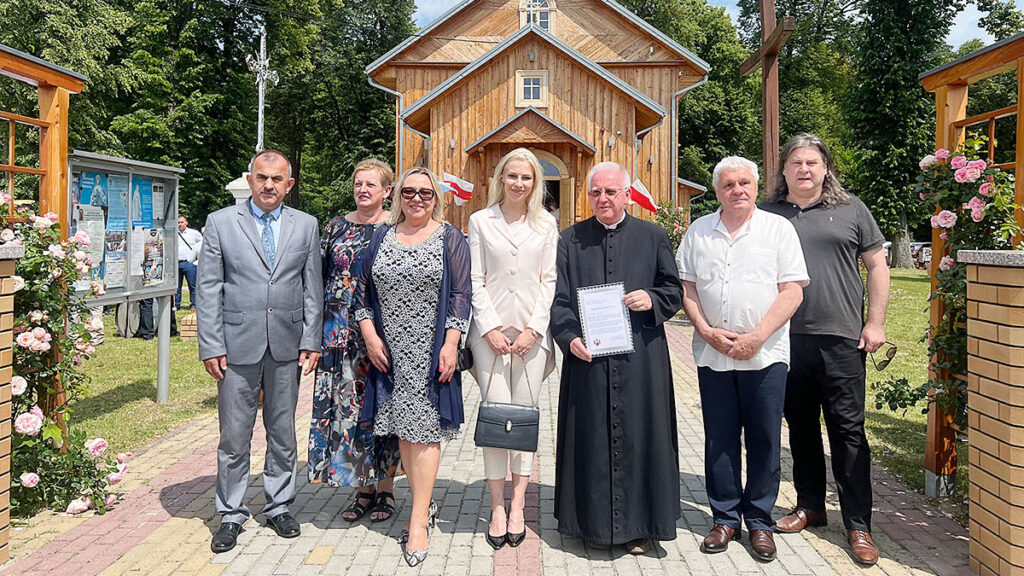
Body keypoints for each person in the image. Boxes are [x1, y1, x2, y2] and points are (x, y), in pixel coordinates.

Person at [760, 133, 889, 566]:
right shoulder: (768, 213)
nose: (803, 169)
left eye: (812, 162)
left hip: (842, 338)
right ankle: (811, 505)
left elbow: (877, 267)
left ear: (825, 167)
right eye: (795, 162)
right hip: (787, 339)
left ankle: (858, 524)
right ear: (784, 170)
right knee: (799, 427)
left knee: (848, 432)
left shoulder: (852, 209)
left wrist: (875, 322)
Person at [676, 156, 808, 561]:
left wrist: (757, 336)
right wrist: (705, 330)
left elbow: (792, 291)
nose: (738, 190)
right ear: (717, 191)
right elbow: (688, 289)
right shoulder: (699, 231)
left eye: (744, 183)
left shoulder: (778, 230)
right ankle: (725, 518)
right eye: (729, 184)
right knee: (719, 438)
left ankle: (760, 521)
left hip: (765, 355)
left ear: (755, 187)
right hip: (713, 354)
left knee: (765, 439)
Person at [550, 162, 683, 555]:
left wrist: (652, 299)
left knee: (643, 435)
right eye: (595, 192)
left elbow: (673, 290)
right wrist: (569, 336)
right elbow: (558, 300)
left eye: (611, 192)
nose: (603, 199)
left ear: (627, 194)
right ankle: (588, 524)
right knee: (589, 437)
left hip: (641, 359)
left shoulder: (654, 236)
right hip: (588, 359)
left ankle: (641, 525)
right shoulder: (569, 240)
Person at [197, 149, 323, 554]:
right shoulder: (220, 223)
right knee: (234, 436)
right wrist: (211, 344)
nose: (269, 185)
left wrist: (311, 338)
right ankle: (230, 513)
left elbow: (312, 288)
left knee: (283, 432)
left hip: (287, 345)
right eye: (262, 177)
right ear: (250, 180)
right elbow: (208, 288)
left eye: (277, 179)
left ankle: (279, 505)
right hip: (235, 346)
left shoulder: (306, 225)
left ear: (289, 184)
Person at [354, 166, 471, 567]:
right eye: (409, 192)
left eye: (425, 192)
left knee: (425, 431)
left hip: (431, 350)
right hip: (389, 353)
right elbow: (362, 293)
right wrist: (370, 336)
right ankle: (421, 508)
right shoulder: (382, 236)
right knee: (405, 429)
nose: (417, 198)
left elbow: (460, 294)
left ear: (435, 197)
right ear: (398, 195)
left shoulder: (450, 238)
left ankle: (418, 520)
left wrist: (452, 343)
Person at [467, 148, 558, 550]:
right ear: (501, 178)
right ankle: (497, 506)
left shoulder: (546, 224)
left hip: (531, 339)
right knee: (494, 419)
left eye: (526, 177)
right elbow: (475, 278)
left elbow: (549, 280)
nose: (519, 183)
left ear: (535, 183)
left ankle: (518, 504)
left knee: (523, 419)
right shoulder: (480, 221)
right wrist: (488, 328)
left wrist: (534, 330)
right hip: (491, 338)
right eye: (512, 176)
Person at [307, 159, 401, 523]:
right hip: (338, 336)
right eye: (359, 184)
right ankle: (362, 490)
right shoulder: (335, 227)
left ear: (386, 191)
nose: (364, 190)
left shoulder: (395, 227)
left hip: (381, 335)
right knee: (349, 413)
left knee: (382, 411)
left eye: (371, 185)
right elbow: (316, 279)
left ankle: (387, 492)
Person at [176, 215, 203, 310]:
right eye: (178, 222)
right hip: (176, 263)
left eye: (181, 222)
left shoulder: (194, 233)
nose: (180, 224)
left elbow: (202, 245)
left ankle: (194, 305)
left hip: (189, 263)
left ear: (186, 223)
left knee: (193, 285)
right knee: (176, 286)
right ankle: (176, 305)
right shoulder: (173, 233)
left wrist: (197, 260)